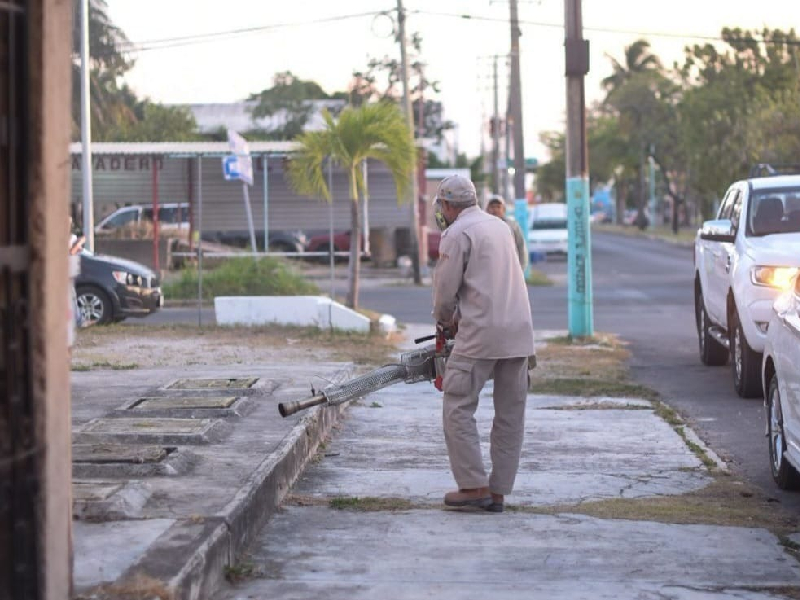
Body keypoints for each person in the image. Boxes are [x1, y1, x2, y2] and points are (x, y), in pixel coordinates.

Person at [431, 175, 536, 513]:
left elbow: (445, 292)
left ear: (447, 205)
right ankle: (499, 492)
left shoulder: (457, 233)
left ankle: (474, 485)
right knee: (510, 414)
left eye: (442, 206)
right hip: (519, 332)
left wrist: (446, 320)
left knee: (458, 404)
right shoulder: (501, 227)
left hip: (480, 334)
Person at [485, 195, 528, 270]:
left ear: (504, 209)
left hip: (509, 268)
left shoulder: (512, 226)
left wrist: (521, 268)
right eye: (492, 207)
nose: (495, 210)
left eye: (498, 207)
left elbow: (520, 246)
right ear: (487, 209)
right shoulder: (482, 226)